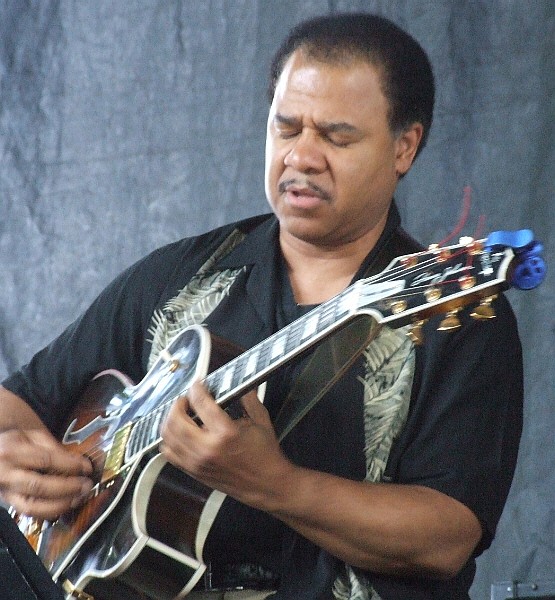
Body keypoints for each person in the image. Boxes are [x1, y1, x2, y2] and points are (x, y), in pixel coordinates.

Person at [0, 12, 523, 600]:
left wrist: (273, 484)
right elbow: (18, 403)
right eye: (287, 127)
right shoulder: (180, 276)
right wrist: (15, 459)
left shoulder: (454, 314)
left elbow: (446, 539)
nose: (301, 156)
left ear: (405, 147)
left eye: (336, 136)